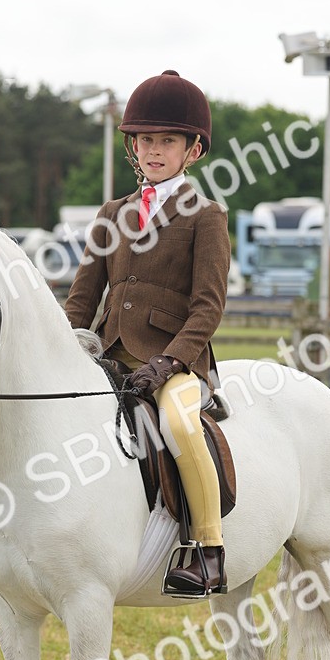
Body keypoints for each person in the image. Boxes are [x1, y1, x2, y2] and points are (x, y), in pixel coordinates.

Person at [65, 69, 231, 595]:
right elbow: (83, 296)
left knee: (179, 425)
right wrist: (64, 342)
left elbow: (208, 307)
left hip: (174, 361)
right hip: (110, 353)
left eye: (166, 141)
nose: (153, 150)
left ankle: (207, 549)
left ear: (193, 150)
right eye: (145, 140)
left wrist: (172, 361)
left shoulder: (206, 217)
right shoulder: (112, 213)